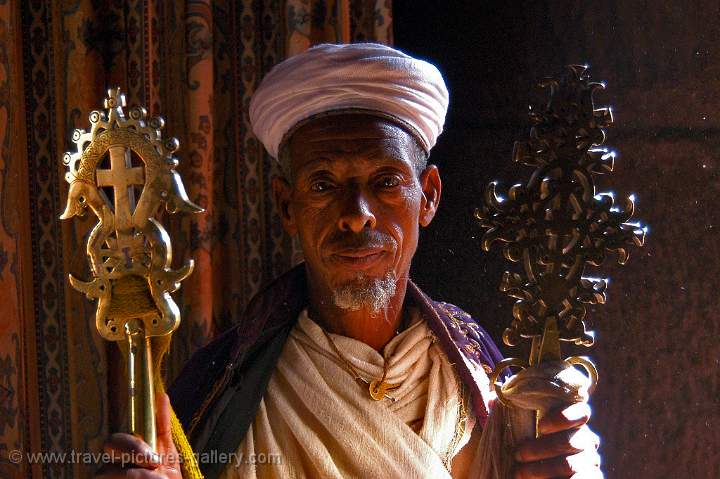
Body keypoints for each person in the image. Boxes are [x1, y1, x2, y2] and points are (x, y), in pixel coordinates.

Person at [97, 43, 601, 479]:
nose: (356, 216)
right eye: (322, 184)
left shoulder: (484, 379)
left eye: (385, 181)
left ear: (427, 197)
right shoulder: (219, 391)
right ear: (286, 206)